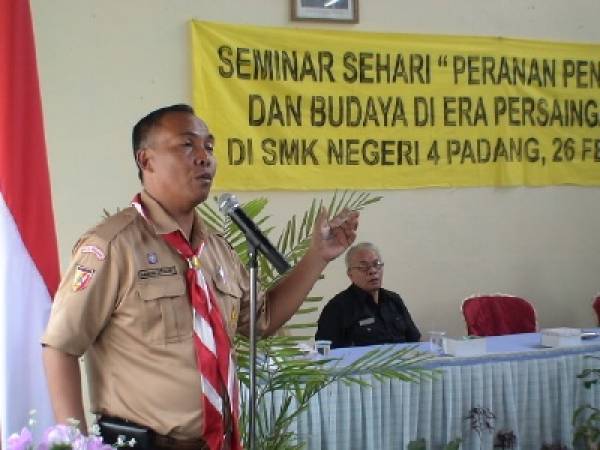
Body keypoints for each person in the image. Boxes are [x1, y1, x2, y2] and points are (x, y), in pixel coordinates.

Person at [41, 104, 359, 450]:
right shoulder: (113, 247)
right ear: (146, 161)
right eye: (187, 145)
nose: (204, 157)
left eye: (209, 146)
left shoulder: (217, 248)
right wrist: (74, 443)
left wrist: (317, 256)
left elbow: (262, 319)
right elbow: (61, 346)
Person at [315, 242, 420, 349]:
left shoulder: (394, 300)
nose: (373, 271)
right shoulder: (337, 308)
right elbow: (325, 354)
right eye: (364, 267)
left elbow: (415, 341)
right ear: (350, 274)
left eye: (376, 265)